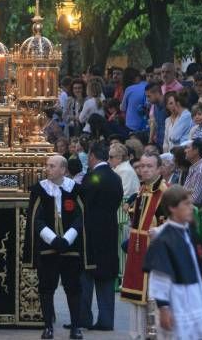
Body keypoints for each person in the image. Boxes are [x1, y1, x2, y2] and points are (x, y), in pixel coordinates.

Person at [143, 185, 202, 340]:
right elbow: (159, 277)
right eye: (186, 204)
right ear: (172, 208)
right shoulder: (164, 240)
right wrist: (163, 308)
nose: (191, 207)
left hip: (199, 300)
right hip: (180, 302)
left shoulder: (191, 234)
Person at [23, 155, 87, 340]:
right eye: (47, 166)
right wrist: (52, 239)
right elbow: (36, 219)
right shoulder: (39, 189)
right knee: (46, 287)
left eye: (52, 166)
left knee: (73, 287)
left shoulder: (75, 189)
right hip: (47, 248)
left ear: (63, 170)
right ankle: (48, 326)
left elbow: (80, 216)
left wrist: (67, 239)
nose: (47, 169)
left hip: (70, 247)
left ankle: (76, 327)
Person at [120, 153, 167, 340]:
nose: (144, 169)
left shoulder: (165, 192)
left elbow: (174, 223)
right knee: (137, 296)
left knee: (153, 296)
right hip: (138, 249)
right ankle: (138, 334)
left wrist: (160, 231)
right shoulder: (142, 189)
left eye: (149, 166)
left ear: (159, 169)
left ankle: (157, 335)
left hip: (155, 251)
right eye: (142, 166)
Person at [77, 142, 122, 331]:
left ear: (93, 156)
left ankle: (83, 317)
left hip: (91, 234)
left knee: (86, 276)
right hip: (109, 231)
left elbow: (84, 195)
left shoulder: (95, 177)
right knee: (106, 278)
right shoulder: (115, 177)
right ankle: (106, 319)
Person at [181, 139, 202, 207]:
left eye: (188, 148)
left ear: (196, 150)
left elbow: (196, 199)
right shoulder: (194, 166)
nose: (185, 151)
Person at [145, 81, 166, 151]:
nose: (147, 99)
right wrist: (150, 141)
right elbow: (154, 123)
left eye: (149, 96)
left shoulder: (168, 105)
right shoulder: (154, 106)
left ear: (157, 94)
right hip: (159, 143)